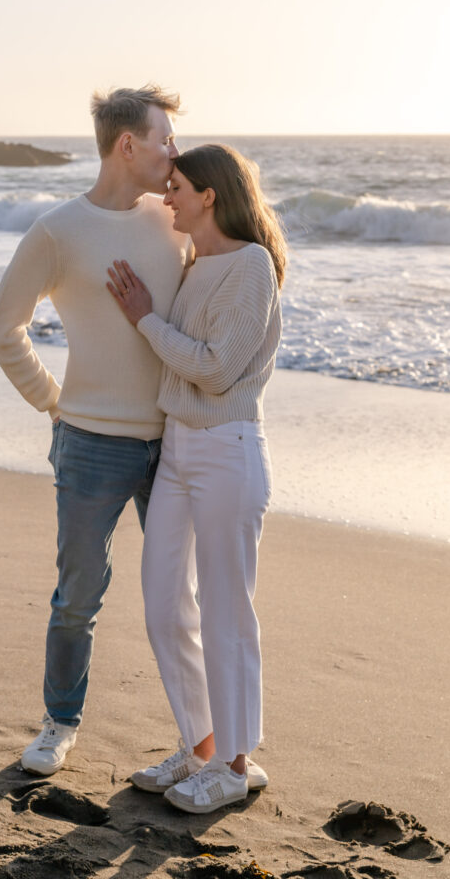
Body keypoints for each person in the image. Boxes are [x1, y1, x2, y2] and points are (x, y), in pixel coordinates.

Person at [0, 85, 191, 775]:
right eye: (165, 138)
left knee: (178, 599)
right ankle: (58, 724)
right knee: (78, 596)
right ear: (127, 145)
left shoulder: (179, 218)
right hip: (90, 445)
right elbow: (2, 326)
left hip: (177, 443)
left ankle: (201, 738)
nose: (175, 152)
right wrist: (53, 402)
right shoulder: (57, 230)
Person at [106, 143, 286, 813]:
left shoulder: (250, 265)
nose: (166, 198)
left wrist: (144, 317)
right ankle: (202, 745)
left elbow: (213, 369)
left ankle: (235, 766)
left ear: (209, 195)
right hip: (178, 451)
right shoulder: (193, 264)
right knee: (162, 605)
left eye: (176, 187)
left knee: (225, 611)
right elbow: (182, 363)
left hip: (226, 451)